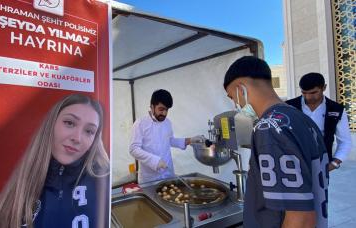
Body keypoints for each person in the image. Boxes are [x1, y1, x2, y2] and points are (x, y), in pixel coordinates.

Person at [223, 56, 329, 228]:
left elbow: (300, 218)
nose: (236, 104)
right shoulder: (300, 118)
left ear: (240, 88)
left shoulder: (269, 127)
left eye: (232, 97)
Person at [0, 94, 110, 228]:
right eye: (69, 123)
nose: (77, 138)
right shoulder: (21, 184)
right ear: (51, 124)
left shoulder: (102, 179)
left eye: (89, 131)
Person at [129, 89, 203, 184]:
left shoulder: (167, 123)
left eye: (166, 110)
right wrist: (155, 161)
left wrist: (189, 140)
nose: (164, 113)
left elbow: (170, 140)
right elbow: (133, 149)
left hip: (168, 174)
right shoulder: (140, 123)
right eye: (161, 109)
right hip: (150, 179)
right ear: (152, 107)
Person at [286, 72, 351, 171]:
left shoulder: (336, 109)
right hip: (291, 165)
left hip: (322, 164)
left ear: (324, 88)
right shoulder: (289, 106)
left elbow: (345, 141)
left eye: (313, 93)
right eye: (304, 93)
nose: (308, 97)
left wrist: (334, 164)